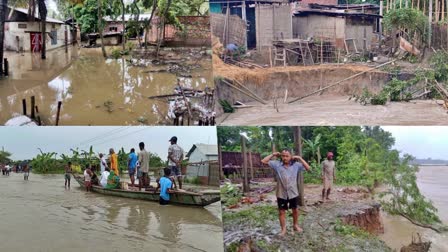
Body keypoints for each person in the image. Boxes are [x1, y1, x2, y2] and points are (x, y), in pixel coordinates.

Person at [261, 149, 310, 236]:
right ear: (281, 156)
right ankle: (283, 229)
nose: (285, 158)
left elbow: (308, 168)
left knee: (295, 210)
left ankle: (295, 225)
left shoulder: (296, 165)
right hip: (281, 193)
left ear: (291, 157)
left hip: (293, 192)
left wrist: (299, 158)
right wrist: (273, 154)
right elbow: (264, 161)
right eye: (283, 156)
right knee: (281, 211)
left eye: (287, 156)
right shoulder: (277, 164)